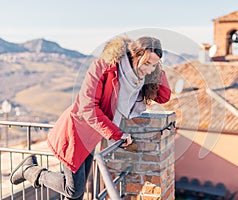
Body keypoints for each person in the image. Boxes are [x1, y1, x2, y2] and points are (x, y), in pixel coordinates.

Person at [10, 36, 171, 199]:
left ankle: (30, 169)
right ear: (136, 55)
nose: (149, 69)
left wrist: (157, 69)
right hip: (76, 132)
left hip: (93, 135)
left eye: (153, 65)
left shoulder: (138, 79)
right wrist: (117, 134)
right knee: (74, 190)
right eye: (147, 63)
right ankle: (29, 170)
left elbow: (163, 97)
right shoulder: (103, 67)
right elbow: (87, 107)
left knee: (77, 194)